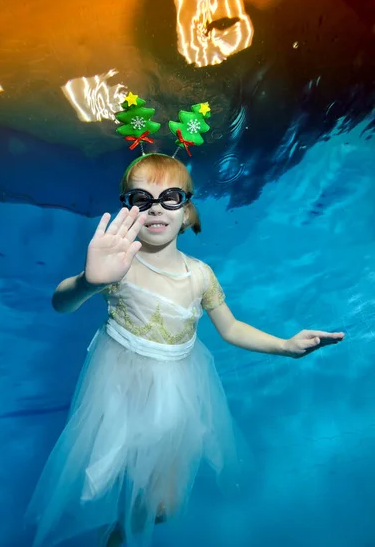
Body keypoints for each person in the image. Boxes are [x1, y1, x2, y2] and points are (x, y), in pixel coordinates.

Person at [26, 153, 344, 547]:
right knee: (114, 479)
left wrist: (286, 346)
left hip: (179, 387)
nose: (156, 208)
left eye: (170, 197)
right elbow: (61, 303)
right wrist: (88, 283)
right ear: (128, 208)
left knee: (165, 506)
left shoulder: (200, 275)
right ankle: (117, 532)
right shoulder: (119, 265)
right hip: (121, 387)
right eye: (142, 199)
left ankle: (123, 531)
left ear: (187, 210)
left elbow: (230, 328)